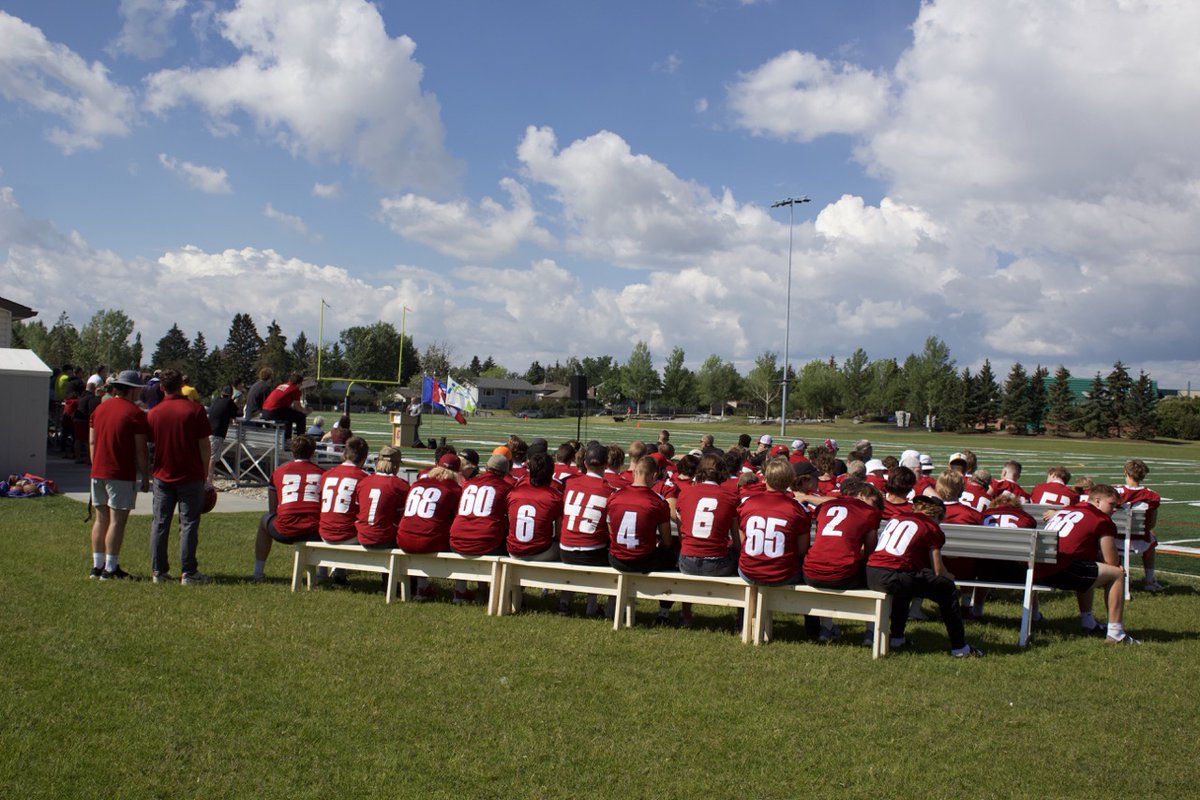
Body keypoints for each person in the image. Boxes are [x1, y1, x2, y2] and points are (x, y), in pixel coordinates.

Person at [866, 495, 984, 657]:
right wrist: (950, 576)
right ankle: (960, 647)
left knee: (906, 586)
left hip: (872, 572)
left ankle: (897, 638)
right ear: (939, 515)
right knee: (947, 589)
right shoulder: (931, 526)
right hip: (895, 575)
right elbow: (938, 570)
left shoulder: (897, 518)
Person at [1038, 484, 1139, 643]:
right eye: (1111, 504)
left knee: (1089, 566)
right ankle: (1116, 633)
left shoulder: (1066, 510)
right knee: (1117, 574)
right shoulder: (1101, 519)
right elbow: (1112, 562)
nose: (1114, 509)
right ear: (1097, 501)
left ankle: (1088, 622)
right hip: (1059, 570)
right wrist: (1117, 565)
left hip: (1036, 568)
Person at [147, 369, 213, 584]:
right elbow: (205, 446)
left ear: (161, 387)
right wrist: (205, 474)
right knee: (189, 523)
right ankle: (189, 571)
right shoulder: (194, 410)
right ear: (182, 385)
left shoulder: (154, 413)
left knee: (160, 523)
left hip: (162, 473)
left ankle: (159, 571)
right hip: (190, 473)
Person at [87, 370, 150, 580]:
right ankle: (110, 567)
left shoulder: (100, 409)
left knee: (101, 518)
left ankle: (97, 566)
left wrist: (95, 463)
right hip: (120, 471)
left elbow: (92, 441)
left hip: (98, 470)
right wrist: (146, 475)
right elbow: (141, 449)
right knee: (117, 520)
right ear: (132, 390)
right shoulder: (135, 414)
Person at [804, 478, 883, 642]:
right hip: (842, 575)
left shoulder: (825, 506)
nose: (873, 507)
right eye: (873, 501)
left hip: (811, 571)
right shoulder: (868, 513)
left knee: (833, 563)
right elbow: (870, 554)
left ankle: (826, 628)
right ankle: (870, 630)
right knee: (873, 573)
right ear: (862, 494)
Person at [253, 436, 325, 580]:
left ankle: (258, 571)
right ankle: (323, 572)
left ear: (292, 452)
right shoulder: (323, 473)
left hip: (285, 529)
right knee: (325, 521)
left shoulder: (279, 472)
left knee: (264, 520)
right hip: (314, 531)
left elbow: (272, 509)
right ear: (312, 453)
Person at [559, 443, 617, 616]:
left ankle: (564, 601)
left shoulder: (570, 483)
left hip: (565, 550)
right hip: (593, 553)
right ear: (606, 464)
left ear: (584, 463)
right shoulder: (609, 489)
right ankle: (600, 606)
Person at [397, 453, 464, 600]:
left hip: (403, 538)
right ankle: (460, 590)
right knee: (460, 538)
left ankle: (422, 587)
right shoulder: (454, 490)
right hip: (429, 541)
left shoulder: (417, 484)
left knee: (423, 527)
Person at [737, 457, 813, 587]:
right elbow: (801, 550)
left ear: (765, 478)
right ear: (790, 481)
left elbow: (743, 541)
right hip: (782, 574)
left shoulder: (748, 504)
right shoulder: (797, 509)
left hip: (749, 572)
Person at [1115, 459, 1163, 592]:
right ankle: (1149, 579)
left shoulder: (1113, 491)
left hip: (1113, 540)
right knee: (1151, 536)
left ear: (1126, 472)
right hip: (1139, 541)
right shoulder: (1152, 495)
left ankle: (1116, 574)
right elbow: (1151, 523)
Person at [507, 451, 563, 562]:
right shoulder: (554, 497)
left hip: (514, 552)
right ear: (551, 472)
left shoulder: (513, 494)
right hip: (541, 552)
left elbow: (510, 522)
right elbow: (558, 534)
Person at [355, 446, 410, 550]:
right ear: (396, 465)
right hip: (384, 538)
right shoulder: (401, 485)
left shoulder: (363, 482)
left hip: (363, 537)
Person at [318, 436, 369, 545]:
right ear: (364, 458)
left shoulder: (326, 475)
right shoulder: (365, 478)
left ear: (344, 453)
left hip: (324, 534)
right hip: (349, 536)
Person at [262, 371, 310, 441]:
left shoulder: (281, 385)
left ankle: (287, 438)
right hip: (274, 412)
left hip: (265, 411)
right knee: (301, 417)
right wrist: (306, 411)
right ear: (299, 383)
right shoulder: (295, 389)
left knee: (289, 415)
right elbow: (298, 407)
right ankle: (301, 441)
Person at [207, 385, 240, 481]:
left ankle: (205, 480)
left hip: (208, 431)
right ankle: (208, 482)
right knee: (212, 459)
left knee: (207, 457)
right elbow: (237, 414)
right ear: (231, 395)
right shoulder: (229, 402)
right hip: (217, 433)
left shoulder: (216, 400)